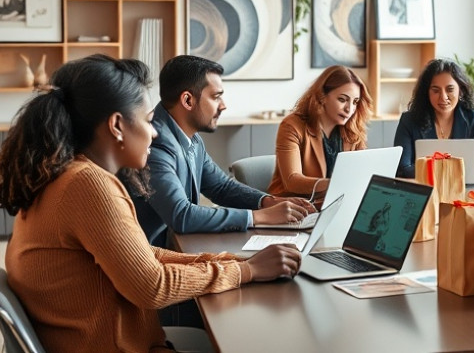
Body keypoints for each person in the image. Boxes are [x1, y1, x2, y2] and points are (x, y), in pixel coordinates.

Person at [0, 55, 302, 352]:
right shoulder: (88, 185)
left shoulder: (70, 175)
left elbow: (140, 254)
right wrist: (245, 272)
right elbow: (152, 286)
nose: (155, 131)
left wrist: (234, 263)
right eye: (147, 121)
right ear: (117, 125)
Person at [133, 55, 315, 247]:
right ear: (187, 100)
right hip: (153, 257)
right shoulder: (155, 143)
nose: (223, 105)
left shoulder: (190, 138)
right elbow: (182, 215)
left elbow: (221, 186)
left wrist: (268, 202)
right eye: (216, 96)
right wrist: (258, 217)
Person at [267, 65, 372, 200]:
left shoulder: (353, 131)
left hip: (335, 205)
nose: (350, 109)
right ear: (322, 96)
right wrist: (336, 184)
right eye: (342, 99)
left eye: (355, 102)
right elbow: (292, 181)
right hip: (294, 208)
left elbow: (360, 174)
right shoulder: (292, 126)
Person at [394, 58, 474, 180]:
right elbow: (402, 169)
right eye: (435, 90)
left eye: (450, 89)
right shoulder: (409, 121)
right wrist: (454, 170)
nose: (443, 97)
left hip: (465, 192)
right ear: (427, 93)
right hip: (425, 191)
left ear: (460, 91)